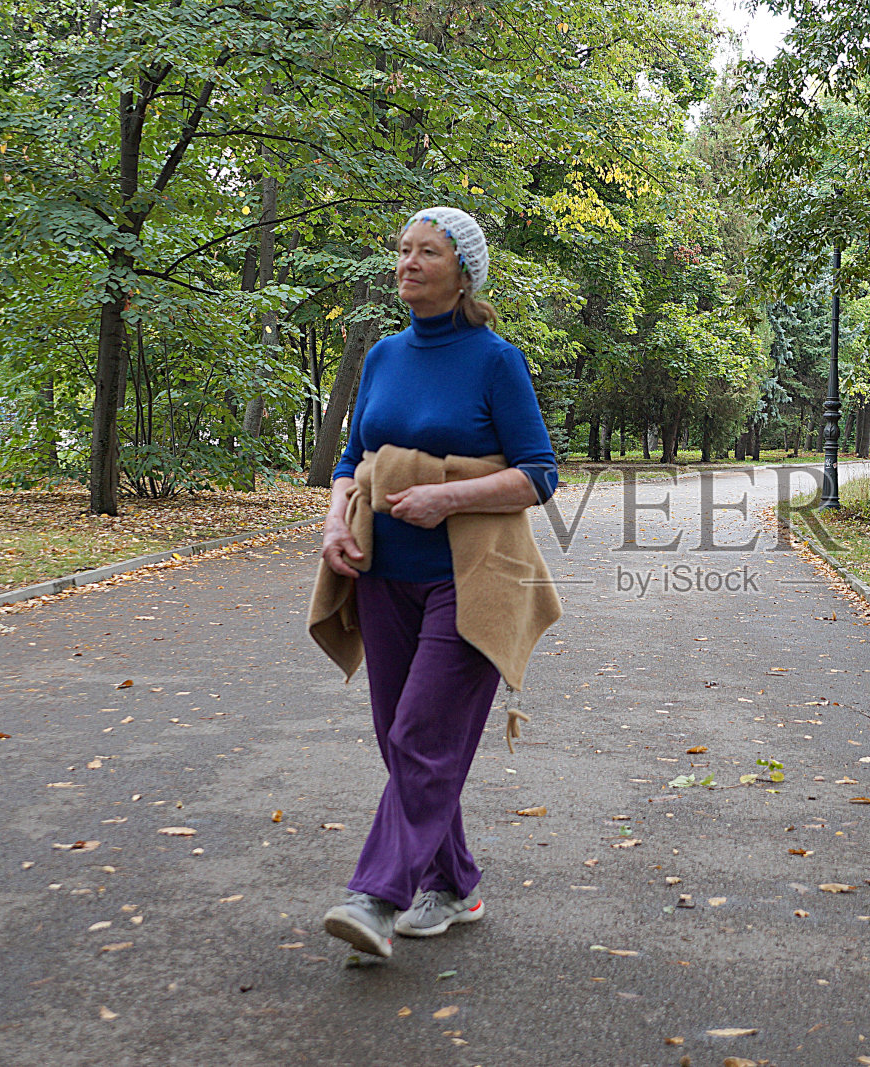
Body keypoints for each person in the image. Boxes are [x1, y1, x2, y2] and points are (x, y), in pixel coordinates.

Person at [315, 206, 558, 957]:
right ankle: (455, 884)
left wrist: (446, 497)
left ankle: (377, 896)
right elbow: (353, 459)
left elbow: (538, 475)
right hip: (385, 574)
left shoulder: (495, 360)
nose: (408, 263)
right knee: (403, 741)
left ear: (463, 273)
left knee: (423, 733)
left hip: (474, 576)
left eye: (427, 252)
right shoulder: (384, 356)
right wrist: (333, 523)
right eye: (403, 251)